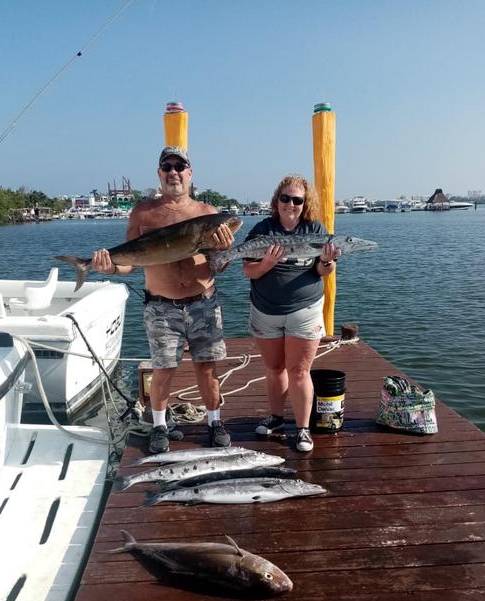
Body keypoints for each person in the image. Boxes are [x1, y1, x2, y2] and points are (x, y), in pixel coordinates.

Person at [91, 146, 235, 454]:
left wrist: (223, 251)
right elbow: (130, 261)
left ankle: (214, 421)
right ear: (159, 174)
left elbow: (219, 267)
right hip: (160, 306)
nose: (173, 172)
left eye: (179, 166)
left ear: (190, 173)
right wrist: (111, 266)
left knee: (207, 368)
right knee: (163, 370)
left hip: (203, 302)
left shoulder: (208, 215)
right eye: (167, 167)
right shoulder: (143, 213)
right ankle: (159, 425)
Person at [242, 175, 341, 452]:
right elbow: (248, 270)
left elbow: (323, 271)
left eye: (297, 200)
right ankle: (276, 418)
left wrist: (327, 261)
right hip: (266, 310)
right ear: (277, 200)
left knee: (299, 370)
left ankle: (302, 429)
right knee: (274, 369)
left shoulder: (315, 229)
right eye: (285, 198)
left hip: (304, 310)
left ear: (304, 203)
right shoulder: (263, 230)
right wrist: (267, 264)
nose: (291, 204)